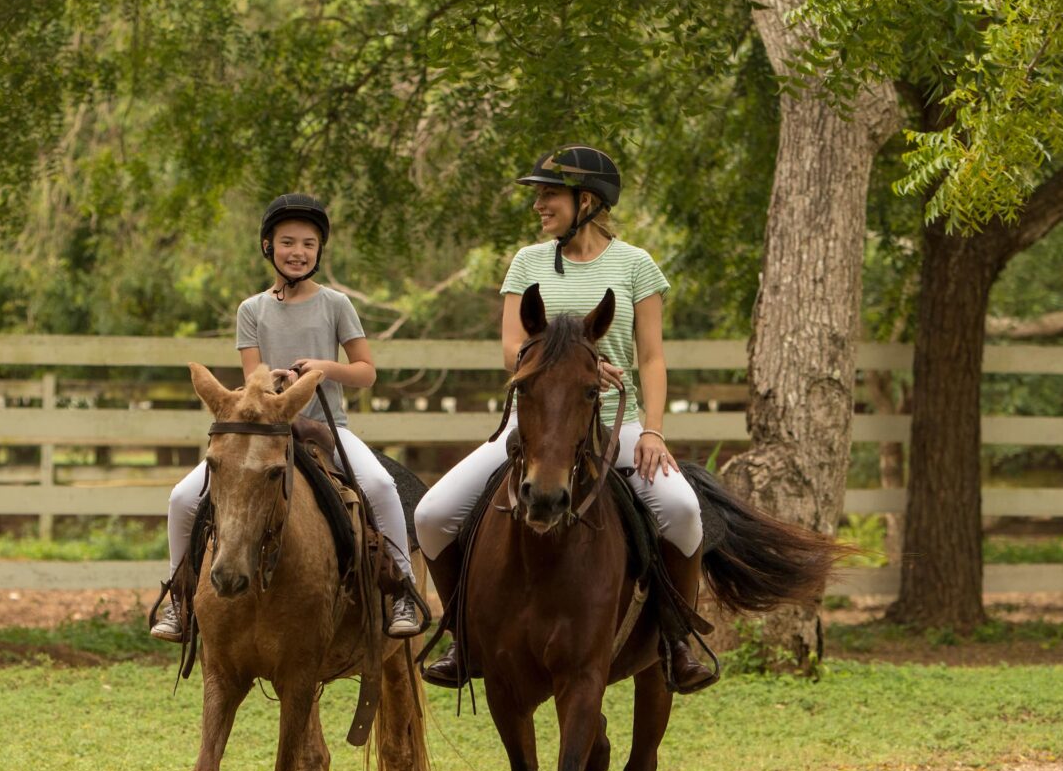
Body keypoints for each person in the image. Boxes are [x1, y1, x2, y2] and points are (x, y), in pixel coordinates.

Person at [414, 146, 715, 693]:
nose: (538, 205)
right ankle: (463, 635)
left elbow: (651, 357)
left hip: (613, 427)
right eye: (538, 195)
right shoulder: (527, 263)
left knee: (683, 511)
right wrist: (572, 363)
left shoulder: (636, 265)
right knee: (433, 515)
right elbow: (511, 349)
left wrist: (652, 430)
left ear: (586, 201)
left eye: (548, 195)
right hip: (531, 428)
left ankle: (675, 640)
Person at [151, 194, 426, 642]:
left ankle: (402, 591)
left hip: (328, 428)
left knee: (379, 485)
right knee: (183, 498)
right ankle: (180, 600)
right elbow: (251, 383)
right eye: (288, 243)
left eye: (309, 244)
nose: (298, 252)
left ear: (319, 252)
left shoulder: (336, 304)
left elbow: (366, 372)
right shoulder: (251, 310)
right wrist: (273, 380)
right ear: (268, 247)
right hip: (267, 432)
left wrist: (322, 368)